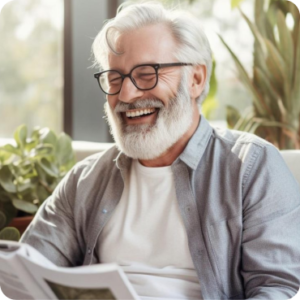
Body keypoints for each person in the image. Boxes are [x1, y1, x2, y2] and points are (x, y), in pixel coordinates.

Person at [21, 2, 300, 299]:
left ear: (196, 79)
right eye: (115, 79)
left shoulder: (251, 167)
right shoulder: (84, 181)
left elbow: (278, 288)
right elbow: (25, 270)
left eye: (147, 73)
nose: (126, 94)